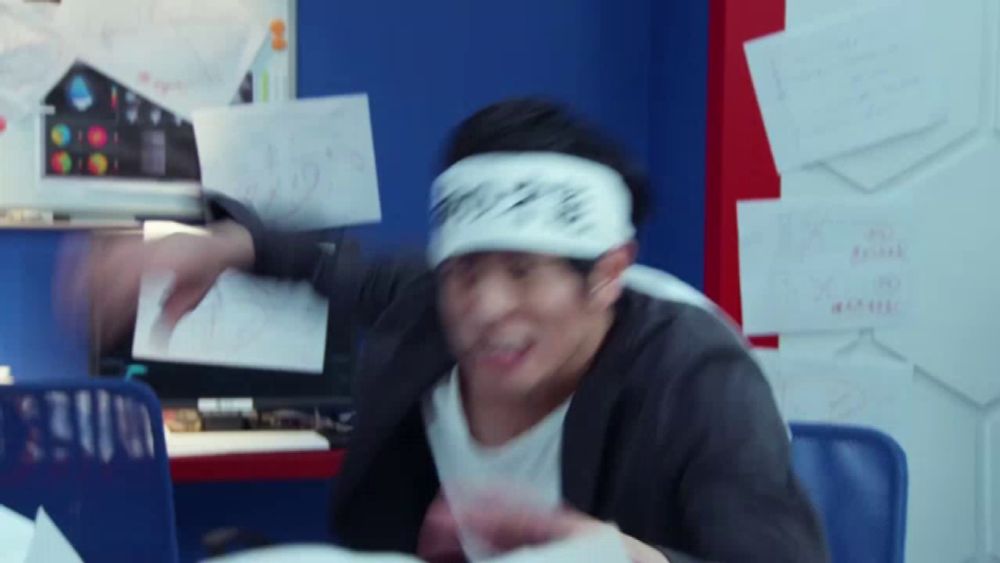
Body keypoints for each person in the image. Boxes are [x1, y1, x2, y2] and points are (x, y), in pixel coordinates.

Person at [69, 99, 828, 563]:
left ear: (607, 273)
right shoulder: (434, 304)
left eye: (525, 271)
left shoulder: (697, 377)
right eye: (465, 271)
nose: (485, 307)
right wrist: (228, 245)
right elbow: (349, 271)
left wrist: (621, 556)